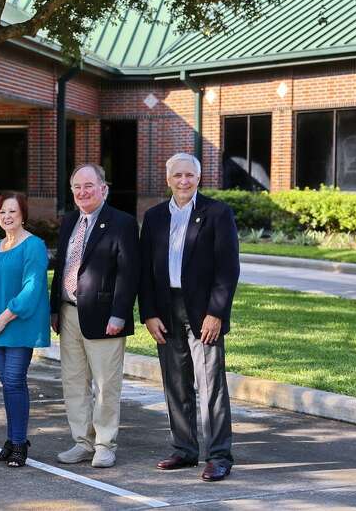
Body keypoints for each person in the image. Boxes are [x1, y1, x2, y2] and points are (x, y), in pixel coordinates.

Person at [139, 152, 240, 482]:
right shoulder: (154, 217)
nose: (184, 181)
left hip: (203, 311)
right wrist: (149, 313)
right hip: (166, 309)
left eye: (190, 175)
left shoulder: (217, 213)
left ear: (199, 178)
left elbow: (228, 269)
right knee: (175, 381)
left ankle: (219, 455)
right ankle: (184, 449)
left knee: (210, 384)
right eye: (178, 175)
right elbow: (145, 272)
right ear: (167, 179)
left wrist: (217, 313)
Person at [49, 164, 139, 469]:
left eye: (89, 185)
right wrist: (53, 309)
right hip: (68, 311)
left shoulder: (122, 223)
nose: (82, 192)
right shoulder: (69, 221)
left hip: (105, 317)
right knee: (73, 382)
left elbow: (129, 274)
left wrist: (119, 314)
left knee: (105, 384)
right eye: (77, 187)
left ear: (104, 188)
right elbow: (62, 267)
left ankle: (104, 444)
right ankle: (82, 442)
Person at [0, 192, 50, 468]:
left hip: (18, 325)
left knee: (15, 380)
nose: (7, 217)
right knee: (7, 384)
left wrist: (3, 319)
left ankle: (19, 444)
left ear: (23, 215)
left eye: (13, 212)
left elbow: (32, 289)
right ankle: (12, 439)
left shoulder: (34, 246)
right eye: (2, 212)